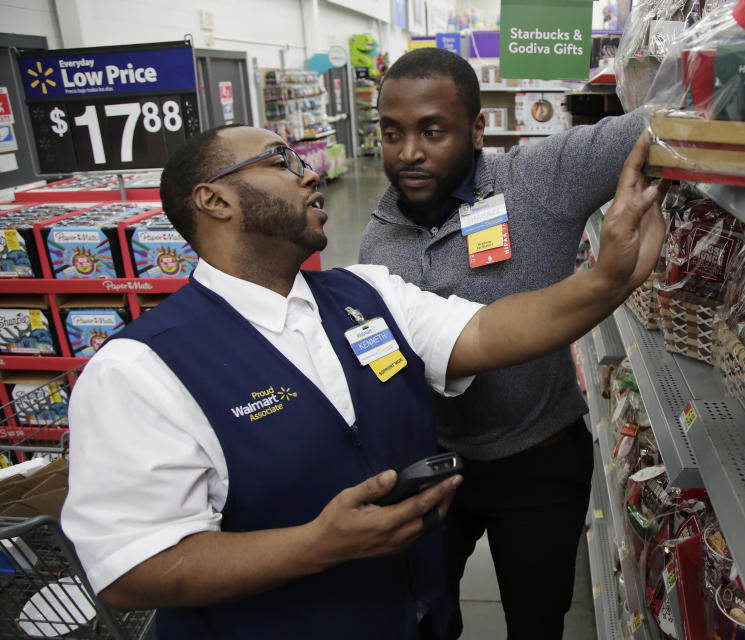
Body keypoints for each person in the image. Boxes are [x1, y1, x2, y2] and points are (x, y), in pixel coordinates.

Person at [61, 124, 665, 640]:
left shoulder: (367, 292)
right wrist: (316, 545)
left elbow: (488, 332)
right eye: (282, 161)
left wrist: (607, 280)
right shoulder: (138, 371)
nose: (310, 173)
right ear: (215, 201)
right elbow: (129, 570)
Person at [359, 47, 651, 638]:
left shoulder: (539, 179)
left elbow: (657, 125)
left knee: (537, 620)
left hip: (540, 462)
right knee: (426, 618)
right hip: (430, 465)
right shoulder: (376, 241)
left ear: (477, 128)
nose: (409, 152)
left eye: (432, 130)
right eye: (392, 133)